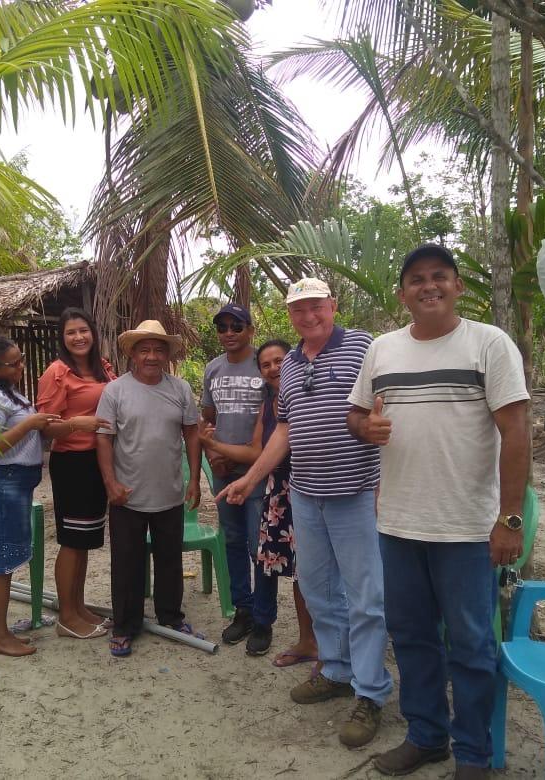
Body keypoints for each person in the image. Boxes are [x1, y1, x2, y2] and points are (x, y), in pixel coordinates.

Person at [347, 245, 530, 780]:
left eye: (440, 277)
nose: (429, 286)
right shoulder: (382, 350)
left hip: (467, 527)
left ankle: (474, 754)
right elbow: (356, 415)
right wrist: (366, 428)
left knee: (472, 644)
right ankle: (427, 736)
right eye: (417, 280)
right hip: (398, 523)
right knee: (411, 636)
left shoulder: (488, 344)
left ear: (457, 287)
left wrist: (510, 519)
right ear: (402, 294)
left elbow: (516, 432)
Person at [218, 279, 392, 749]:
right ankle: (335, 670)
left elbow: (386, 402)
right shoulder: (291, 364)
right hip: (306, 495)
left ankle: (371, 691)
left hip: (356, 491)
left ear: (332, 306)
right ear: (290, 315)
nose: (308, 316)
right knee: (317, 588)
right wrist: (250, 479)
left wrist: (384, 478)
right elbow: (286, 430)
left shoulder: (362, 344)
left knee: (365, 595)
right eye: (298, 309)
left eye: (316, 306)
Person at [201, 339, 319, 665]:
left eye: (278, 361)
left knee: (289, 561)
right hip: (272, 488)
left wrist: (212, 446)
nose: (273, 369)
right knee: (256, 550)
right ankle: (248, 613)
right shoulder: (268, 404)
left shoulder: (305, 393)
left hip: (304, 488)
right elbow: (257, 447)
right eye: (266, 364)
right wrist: (212, 450)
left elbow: (261, 451)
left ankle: (269, 621)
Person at [96, 320, 203, 657]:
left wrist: (196, 480)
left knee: (170, 559)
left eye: (159, 349)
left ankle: (171, 615)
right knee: (126, 562)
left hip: (169, 491)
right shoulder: (115, 391)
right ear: (133, 355)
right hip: (126, 494)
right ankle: (126, 625)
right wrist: (110, 483)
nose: (152, 356)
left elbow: (192, 434)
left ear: (167, 355)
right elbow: (103, 439)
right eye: (145, 349)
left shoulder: (181, 389)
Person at [0, 336, 60, 657]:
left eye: (21, 359)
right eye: (15, 363)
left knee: (4, 557)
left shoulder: (8, 394)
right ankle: (0, 636)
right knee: (2, 561)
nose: (21, 367)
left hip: (15, 485)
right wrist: (30, 424)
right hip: (1, 484)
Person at [37, 308, 117, 640]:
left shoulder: (103, 368)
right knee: (71, 542)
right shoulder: (57, 373)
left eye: (83, 330)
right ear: (63, 338)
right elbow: (44, 428)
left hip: (99, 460)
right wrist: (76, 424)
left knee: (83, 540)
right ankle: (66, 617)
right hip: (72, 464)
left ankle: (79, 607)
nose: (79, 337)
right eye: (71, 332)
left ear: (93, 332)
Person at [200, 303, 268, 648]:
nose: (228, 333)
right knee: (232, 539)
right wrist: (212, 454)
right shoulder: (213, 369)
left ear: (250, 330)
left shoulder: (265, 364)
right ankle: (243, 608)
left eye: (235, 327)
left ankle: (263, 618)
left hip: (257, 469)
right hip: (223, 468)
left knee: (260, 544)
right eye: (222, 327)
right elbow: (207, 419)